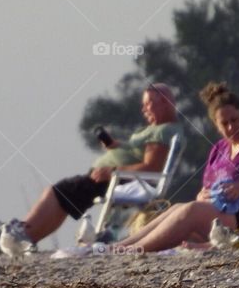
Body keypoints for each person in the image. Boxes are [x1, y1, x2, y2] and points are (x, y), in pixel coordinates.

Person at [118, 82, 239, 252]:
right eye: (224, 124)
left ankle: (135, 250)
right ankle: (121, 245)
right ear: (216, 125)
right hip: (221, 219)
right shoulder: (218, 150)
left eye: (235, 120)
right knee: (179, 207)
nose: (230, 127)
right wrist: (203, 195)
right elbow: (208, 187)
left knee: (191, 211)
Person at [22, 83, 182, 243]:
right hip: (115, 178)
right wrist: (118, 146)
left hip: (117, 180)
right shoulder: (160, 129)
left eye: (148, 103)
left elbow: (151, 167)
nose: (144, 109)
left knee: (60, 191)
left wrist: (111, 171)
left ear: (165, 102)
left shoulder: (163, 131)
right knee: (64, 197)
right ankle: (27, 236)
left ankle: (23, 234)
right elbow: (140, 155)